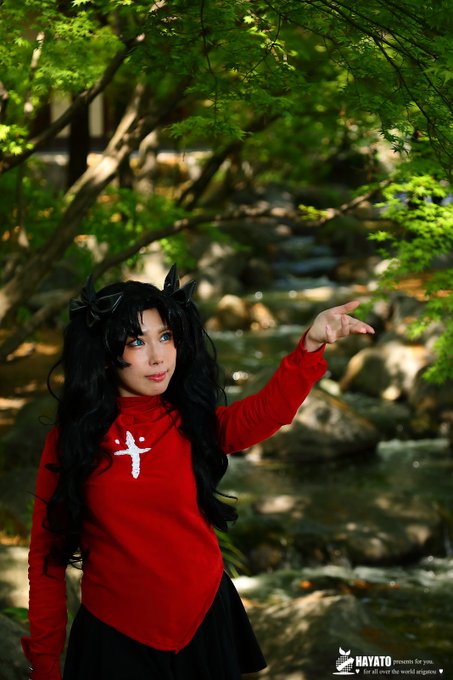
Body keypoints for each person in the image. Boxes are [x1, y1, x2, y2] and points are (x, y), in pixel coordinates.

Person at [22, 265, 374, 680]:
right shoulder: (71, 442)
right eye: (137, 342)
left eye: (165, 336)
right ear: (103, 352)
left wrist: (310, 346)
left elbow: (267, 414)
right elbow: (47, 557)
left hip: (204, 621)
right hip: (115, 634)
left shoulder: (191, 419)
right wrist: (45, 663)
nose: (158, 356)